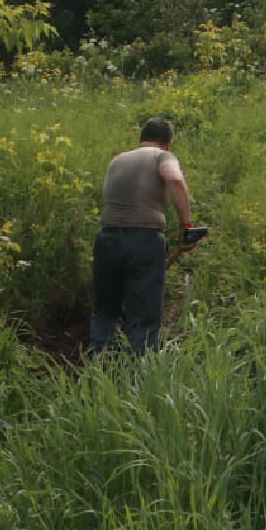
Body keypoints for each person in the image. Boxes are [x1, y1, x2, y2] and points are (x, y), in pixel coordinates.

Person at [88, 116, 197, 355]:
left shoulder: (117, 160)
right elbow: (175, 179)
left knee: (106, 310)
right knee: (144, 314)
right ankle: (138, 369)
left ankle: (99, 363)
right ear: (168, 143)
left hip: (106, 240)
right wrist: (185, 226)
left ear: (141, 139)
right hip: (144, 240)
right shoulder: (162, 156)